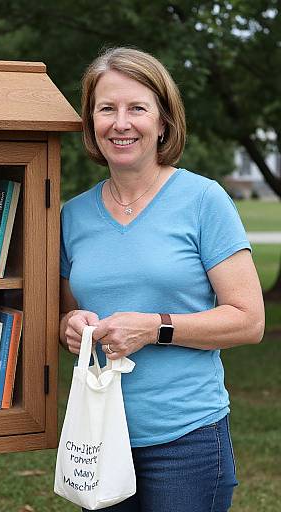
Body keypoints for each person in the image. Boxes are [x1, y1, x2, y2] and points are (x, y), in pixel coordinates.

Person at [59, 47, 265, 512]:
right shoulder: (72, 217)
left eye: (137, 108)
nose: (121, 122)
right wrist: (71, 325)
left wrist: (154, 327)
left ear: (164, 121)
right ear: (91, 122)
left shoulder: (203, 200)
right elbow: (64, 315)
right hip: (98, 436)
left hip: (187, 440)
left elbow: (249, 321)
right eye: (107, 108)